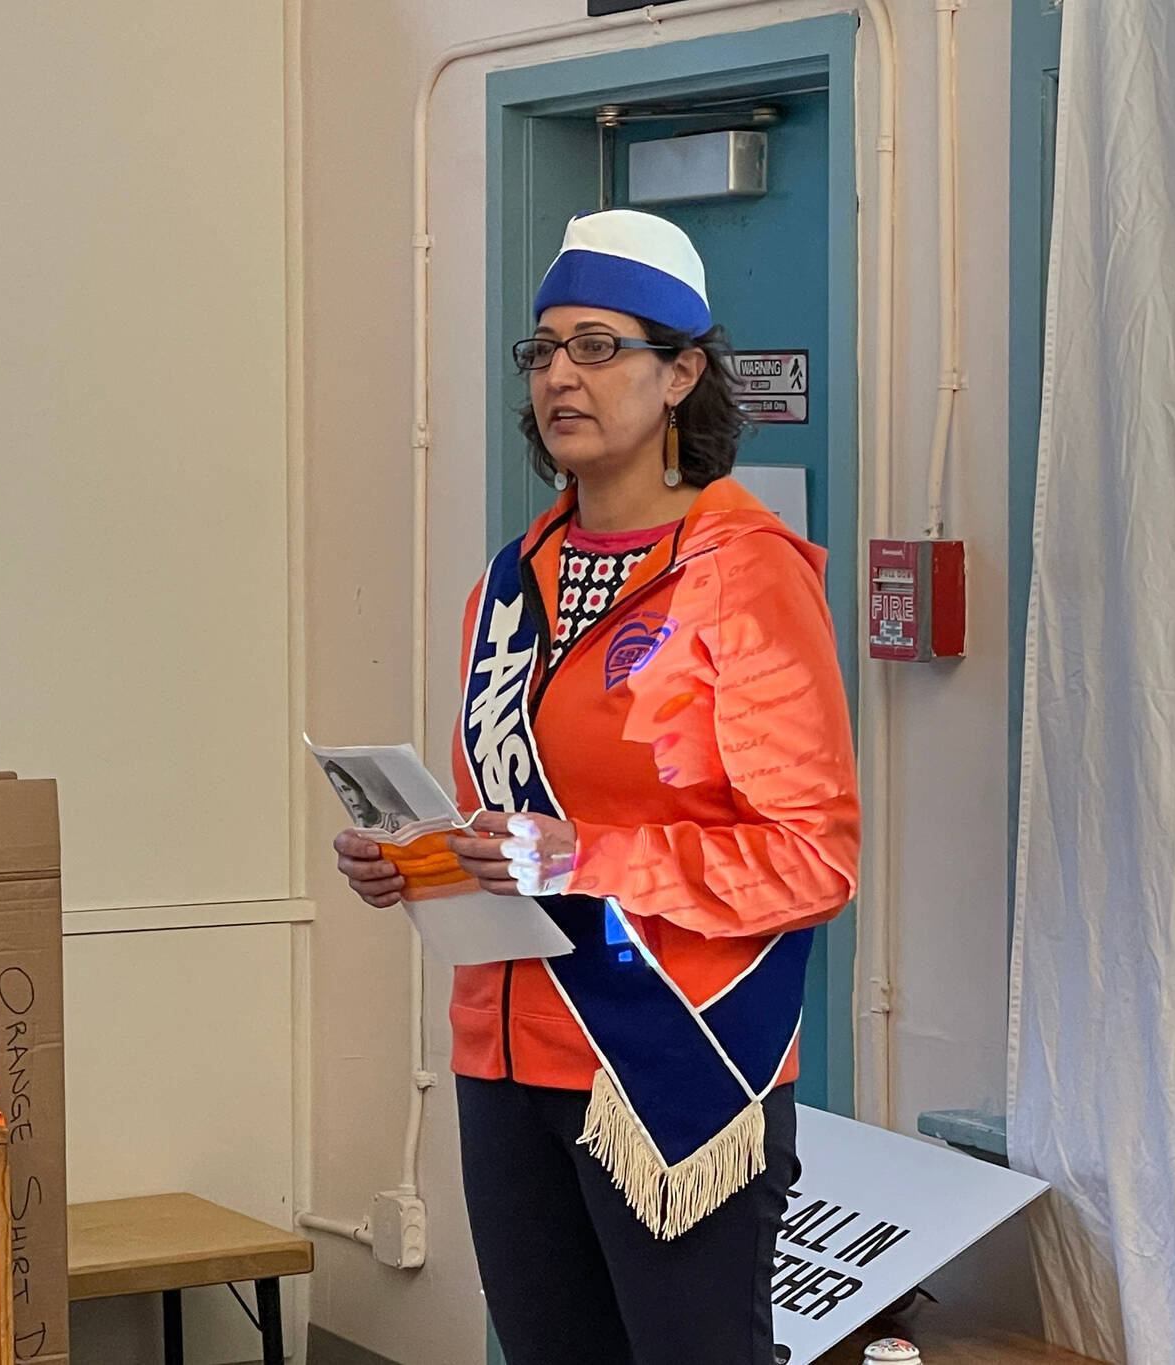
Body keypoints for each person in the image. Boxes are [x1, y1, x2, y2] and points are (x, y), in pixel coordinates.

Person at [333, 209, 860, 1365]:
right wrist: (414, 860)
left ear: (679, 374)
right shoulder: (512, 580)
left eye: (596, 346)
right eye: (542, 351)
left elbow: (811, 859)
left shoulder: (743, 576)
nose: (558, 377)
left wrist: (582, 859)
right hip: (501, 1061)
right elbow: (514, 818)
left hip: (666, 1067)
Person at [322, 759, 410, 834]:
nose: (346, 799)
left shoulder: (396, 822)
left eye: (347, 789)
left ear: (360, 787)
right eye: (341, 792)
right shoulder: (355, 832)